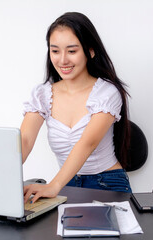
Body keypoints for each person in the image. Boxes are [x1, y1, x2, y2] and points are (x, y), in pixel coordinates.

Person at [22, 12, 131, 204]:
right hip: (67, 185)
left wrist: (54, 186)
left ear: (90, 51)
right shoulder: (42, 94)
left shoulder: (106, 93)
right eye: (55, 51)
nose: (62, 60)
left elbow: (87, 144)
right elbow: (25, 140)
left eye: (72, 51)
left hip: (106, 183)